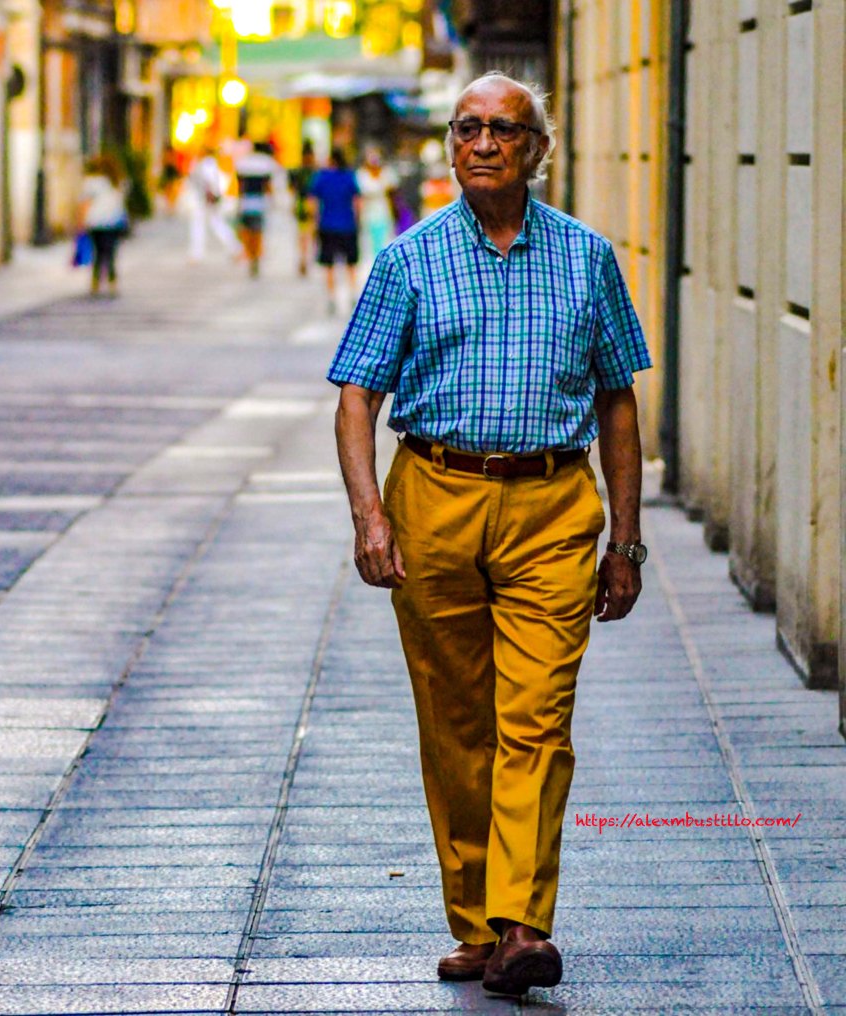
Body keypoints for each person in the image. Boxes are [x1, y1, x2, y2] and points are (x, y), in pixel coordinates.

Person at [328, 71, 652, 997]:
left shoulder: (587, 257)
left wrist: (623, 541)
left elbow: (618, 399)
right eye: (466, 128)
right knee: (456, 721)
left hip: (553, 506)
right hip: (434, 495)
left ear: (538, 151)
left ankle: (521, 923)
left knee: (537, 722)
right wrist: (370, 515)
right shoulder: (407, 259)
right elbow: (357, 396)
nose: (481, 144)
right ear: (449, 145)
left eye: (502, 130)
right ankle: (474, 920)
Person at [308, 147, 360, 315]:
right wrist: (358, 220)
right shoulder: (349, 176)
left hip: (327, 224)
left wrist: (314, 222)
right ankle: (352, 293)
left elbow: (313, 202)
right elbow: (357, 201)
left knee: (328, 264)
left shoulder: (322, 177)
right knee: (351, 263)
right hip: (348, 224)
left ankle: (331, 297)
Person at [78, 153, 127, 297]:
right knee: (111, 253)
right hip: (113, 222)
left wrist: (80, 222)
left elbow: (85, 204)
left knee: (98, 253)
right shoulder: (118, 182)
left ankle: (96, 282)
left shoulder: (92, 182)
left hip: (96, 222)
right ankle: (112, 282)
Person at [187, 146, 239, 262]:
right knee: (215, 224)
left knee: (204, 225)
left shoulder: (208, 163)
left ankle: (197, 254)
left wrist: (210, 196)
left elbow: (210, 182)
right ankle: (235, 248)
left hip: (206, 201)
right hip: (206, 200)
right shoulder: (210, 163)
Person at [235, 140, 277, 277]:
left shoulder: (243, 162)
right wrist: (272, 200)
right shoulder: (266, 163)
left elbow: (240, 185)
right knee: (258, 231)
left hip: (246, 201)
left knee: (247, 230)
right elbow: (268, 185)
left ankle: (251, 254)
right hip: (260, 202)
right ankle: (256, 255)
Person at [356, 145, 397, 260]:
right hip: (368, 212)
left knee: (384, 241)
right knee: (368, 243)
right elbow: (365, 190)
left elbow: (391, 189)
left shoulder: (386, 173)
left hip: (383, 211)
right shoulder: (362, 174)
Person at [287, 139, 318, 276]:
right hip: (309, 203)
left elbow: (292, 190)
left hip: (302, 203)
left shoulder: (298, 171)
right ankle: (305, 257)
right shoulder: (313, 172)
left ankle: (304, 257)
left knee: (303, 234)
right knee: (307, 234)